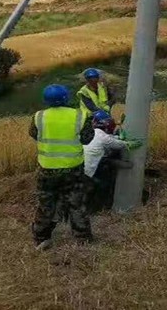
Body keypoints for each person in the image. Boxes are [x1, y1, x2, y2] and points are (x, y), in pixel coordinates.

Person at [29, 84, 95, 249]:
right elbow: (87, 139)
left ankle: (41, 238)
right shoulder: (79, 115)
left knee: (46, 205)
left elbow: (34, 134)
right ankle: (83, 239)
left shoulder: (39, 116)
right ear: (66, 98)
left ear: (46, 100)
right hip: (73, 169)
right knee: (76, 204)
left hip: (47, 170)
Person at [83, 110, 141, 212]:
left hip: (81, 167)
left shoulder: (94, 133)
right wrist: (127, 143)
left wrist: (118, 137)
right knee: (102, 185)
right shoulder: (103, 137)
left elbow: (110, 139)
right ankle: (96, 209)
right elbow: (117, 143)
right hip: (89, 171)